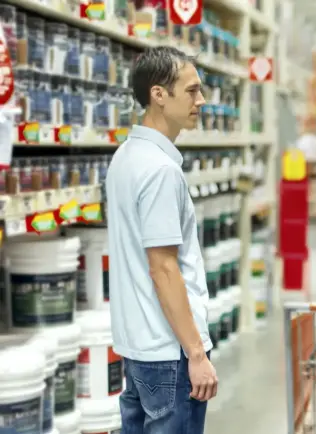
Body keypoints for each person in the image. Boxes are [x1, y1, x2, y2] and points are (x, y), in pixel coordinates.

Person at [106, 46, 217, 433]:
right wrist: (196, 352)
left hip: (137, 348)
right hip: (168, 353)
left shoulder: (125, 157)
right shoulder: (159, 172)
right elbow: (164, 268)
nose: (200, 100)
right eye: (191, 90)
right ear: (158, 94)